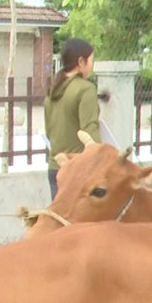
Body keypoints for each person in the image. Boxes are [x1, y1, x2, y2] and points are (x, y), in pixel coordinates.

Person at [44, 38, 100, 199]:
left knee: (59, 215)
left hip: (55, 167)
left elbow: (49, 133)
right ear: (81, 62)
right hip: (79, 171)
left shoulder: (53, 91)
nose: (92, 66)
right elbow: (90, 131)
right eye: (91, 60)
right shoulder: (86, 89)